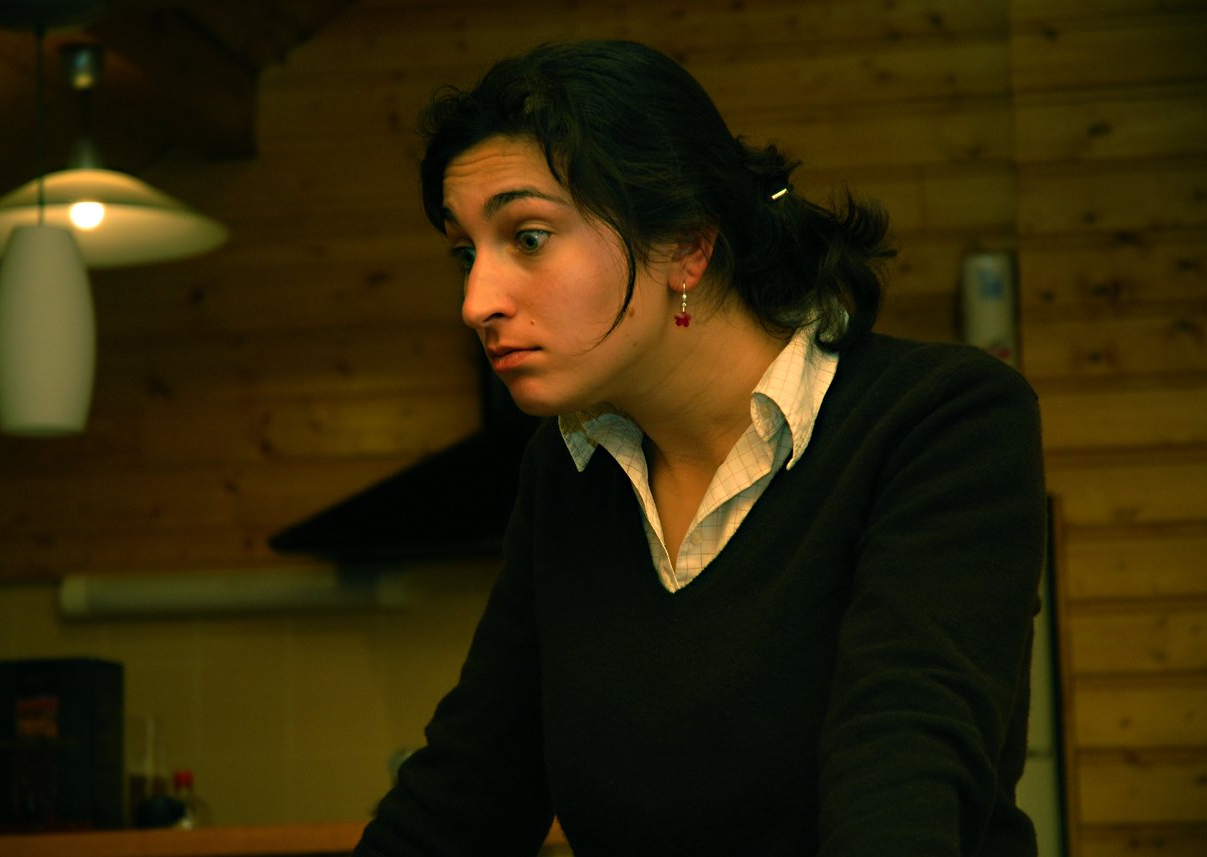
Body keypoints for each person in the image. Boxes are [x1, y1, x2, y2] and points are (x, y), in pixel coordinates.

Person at [353, 40, 1046, 857]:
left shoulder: (938, 420)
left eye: (529, 237)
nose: (476, 301)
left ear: (686, 243)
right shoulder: (570, 471)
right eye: (467, 253)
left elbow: (903, 774)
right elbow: (465, 794)